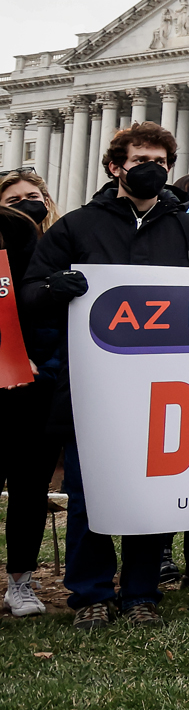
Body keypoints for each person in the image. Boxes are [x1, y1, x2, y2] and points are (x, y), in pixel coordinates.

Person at [22, 122, 189, 629]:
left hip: (163, 389)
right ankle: (90, 592)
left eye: (161, 162)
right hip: (92, 389)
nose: (152, 170)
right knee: (89, 496)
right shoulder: (75, 228)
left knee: (148, 495)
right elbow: (29, 298)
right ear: (115, 167)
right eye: (140, 162)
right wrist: (54, 287)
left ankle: (140, 592)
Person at [0, 171, 64, 618]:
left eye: (32, 197)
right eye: (14, 199)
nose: (26, 205)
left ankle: (20, 581)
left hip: (39, 386)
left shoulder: (59, 246)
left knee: (29, 487)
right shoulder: (12, 241)